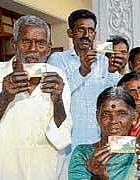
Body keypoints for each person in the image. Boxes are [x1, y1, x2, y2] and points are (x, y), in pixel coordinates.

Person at [0, 15, 71, 180]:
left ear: (48, 48)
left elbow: (63, 129)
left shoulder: (58, 75)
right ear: (14, 44)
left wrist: (57, 100)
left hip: (48, 170)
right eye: (26, 41)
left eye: (40, 43)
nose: (33, 49)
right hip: (6, 170)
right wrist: (5, 97)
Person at [48, 9, 121, 151]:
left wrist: (112, 72)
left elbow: (114, 96)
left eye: (91, 30)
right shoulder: (58, 59)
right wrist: (83, 70)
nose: (86, 35)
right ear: (70, 33)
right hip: (69, 140)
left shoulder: (104, 61)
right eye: (81, 30)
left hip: (99, 137)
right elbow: (56, 94)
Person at [69, 86, 140, 179]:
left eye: (122, 114)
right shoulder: (84, 154)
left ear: (134, 118)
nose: (113, 120)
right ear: (97, 116)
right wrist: (98, 177)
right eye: (106, 114)